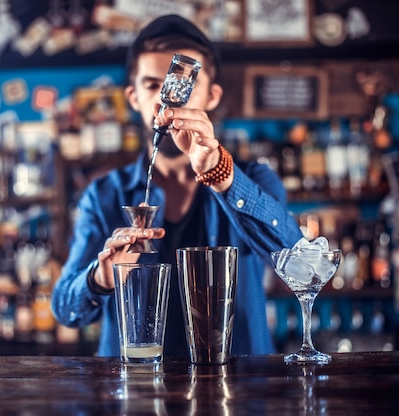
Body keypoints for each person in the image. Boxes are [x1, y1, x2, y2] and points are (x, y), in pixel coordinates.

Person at [51, 14, 303, 357]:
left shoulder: (255, 179)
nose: (167, 100)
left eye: (185, 85)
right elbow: (65, 309)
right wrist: (101, 277)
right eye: (153, 86)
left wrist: (221, 173)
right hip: (134, 391)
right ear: (133, 97)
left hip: (241, 387)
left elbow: (297, 260)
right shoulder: (104, 194)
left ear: (212, 96)